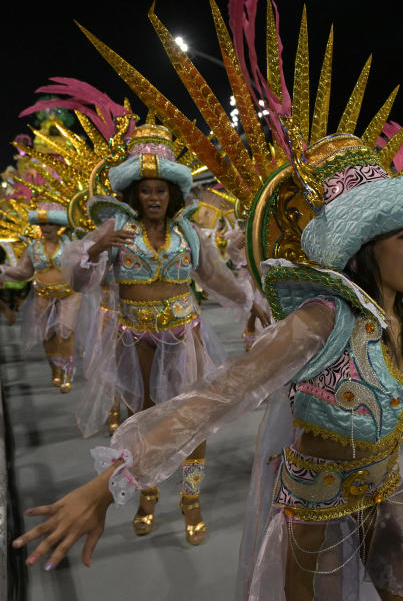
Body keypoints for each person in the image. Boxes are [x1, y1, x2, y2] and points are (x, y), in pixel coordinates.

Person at [13, 0, 403, 598]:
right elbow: (218, 396)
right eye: (401, 238)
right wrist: (107, 481)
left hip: (387, 491)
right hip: (315, 508)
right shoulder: (320, 321)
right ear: (364, 249)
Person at [65, 123, 269, 545]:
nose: (153, 198)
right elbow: (78, 282)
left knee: (192, 418)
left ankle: (190, 500)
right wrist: (96, 250)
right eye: (145, 190)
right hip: (133, 338)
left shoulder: (187, 232)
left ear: (171, 193)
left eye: (160, 190)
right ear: (134, 193)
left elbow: (215, 278)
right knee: (144, 418)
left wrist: (252, 301)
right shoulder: (115, 230)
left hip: (183, 337)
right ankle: (148, 495)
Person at [0, 202, 85, 392]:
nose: (46, 228)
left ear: (59, 226)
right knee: (47, 335)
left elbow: (84, 268)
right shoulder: (33, 247)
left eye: (50, 225)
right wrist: (2, 270)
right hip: (43, 295)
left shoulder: (71, 244)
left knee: (65, 331)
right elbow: (23, 272)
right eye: (43, 225)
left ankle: (67, 373)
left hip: (69, 295)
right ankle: (55, 370)